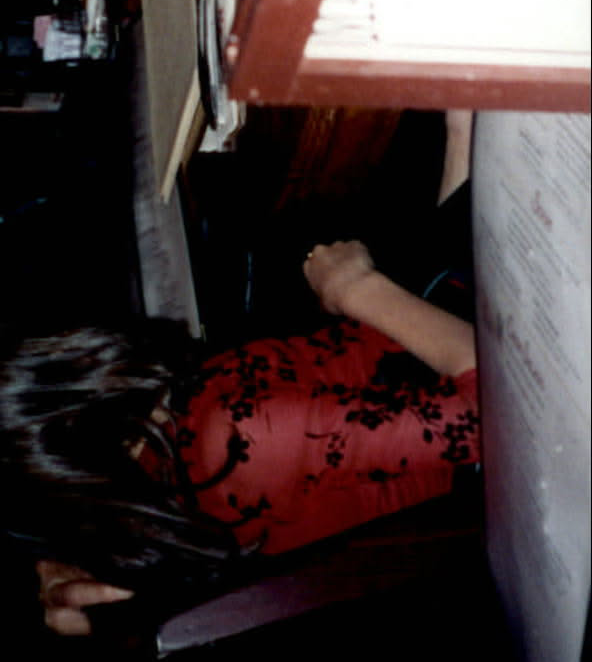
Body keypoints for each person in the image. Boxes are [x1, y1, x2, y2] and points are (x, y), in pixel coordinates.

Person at [0, 112, 478, 638]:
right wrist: (357, 290)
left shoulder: (157, 429)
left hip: (421, 344)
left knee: (453, 129)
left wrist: (459, 143)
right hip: (484, 419)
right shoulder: (235, 437)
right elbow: (491, 414)